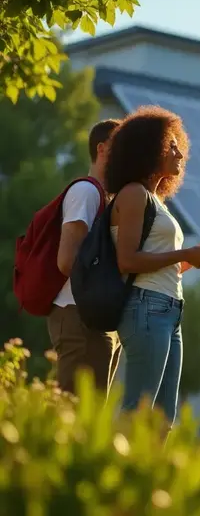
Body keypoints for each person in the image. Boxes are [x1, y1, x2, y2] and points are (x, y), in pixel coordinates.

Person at [107, 106, 200, 427]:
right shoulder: (133, 195)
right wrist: (181, 256)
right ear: (148, 149)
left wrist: (189, 259)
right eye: (170, 145)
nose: (179, 152)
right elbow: (127, 261)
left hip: (169, 309)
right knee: (139, 410)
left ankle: (151, 478)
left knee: (164, 416)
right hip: (146, 307)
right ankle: (122, 474)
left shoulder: (158, 203)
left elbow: (155, 264)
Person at [48, 119, 120, 396]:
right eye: (121, 146)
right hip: (77, 313)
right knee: (69, 409)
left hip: (92, 316)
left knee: (90, 418)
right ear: (102, 149)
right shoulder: (86, 192)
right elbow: (66, 260)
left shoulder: (107, 197)